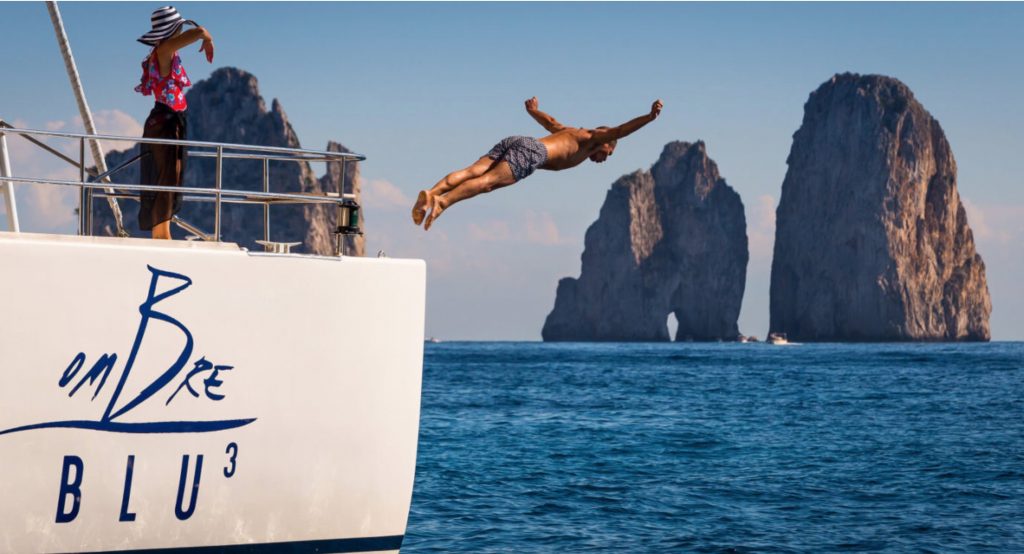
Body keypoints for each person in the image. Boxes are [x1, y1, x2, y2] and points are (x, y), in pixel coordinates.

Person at [412, 97, 663, 230]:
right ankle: (442, 202)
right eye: (608, 155)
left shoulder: (572, 133)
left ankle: (431, 193)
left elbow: (550, 123)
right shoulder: (593, 138)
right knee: (487, 183)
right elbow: (621, 130)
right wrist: (649, 117)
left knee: (472, 171)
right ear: (606, 145)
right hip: (533, 152)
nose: (603, 160)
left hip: (519, 140)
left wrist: (533, 111)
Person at [135, 6, 214, 239]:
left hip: (169, 119)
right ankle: (162, 234)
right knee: (167, 178)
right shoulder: (164, 50)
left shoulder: (165, 51)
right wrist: (207, 37)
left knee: (169, 177)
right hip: (166, 120)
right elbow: (198, 31)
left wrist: (204, 37)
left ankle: (162, 232)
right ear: (173, 29)